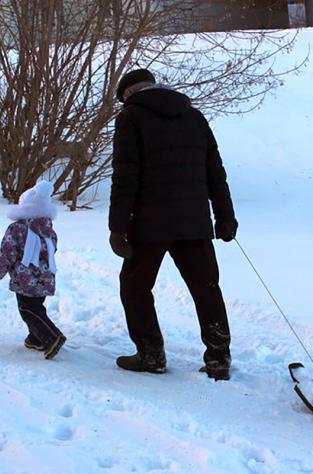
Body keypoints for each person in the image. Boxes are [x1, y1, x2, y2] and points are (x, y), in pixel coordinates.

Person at [109, 68, 238, 381]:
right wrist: (225, 216)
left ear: (128, 94)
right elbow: (214, 171)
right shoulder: (193, 117)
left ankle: (150, 354)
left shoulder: (131, 118)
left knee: (135, 287)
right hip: (193, 222)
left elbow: (126, 177)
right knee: (206, 288)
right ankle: (219, 358)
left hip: (149, 224)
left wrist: (117, 228)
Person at [0, 180, 66, 360]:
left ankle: (52, 337)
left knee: (27, 310)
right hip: (46, 277)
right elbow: (52, 250)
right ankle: (35, 339)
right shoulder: (48, 229)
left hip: (25, 279)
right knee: (37, 307)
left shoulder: (17, 228)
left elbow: (7, 254)